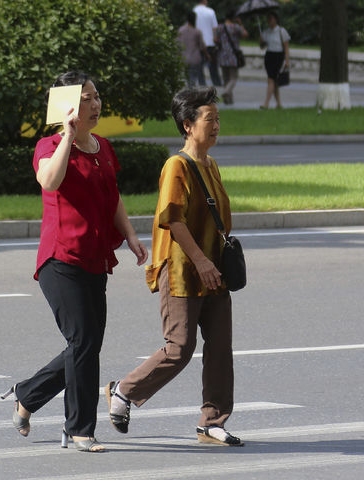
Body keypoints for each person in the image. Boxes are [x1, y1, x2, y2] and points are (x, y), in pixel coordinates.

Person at [1, 72, 149, 452]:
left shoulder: (102, 147)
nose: (95, 104)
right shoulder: (49, 144)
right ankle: (80, 429)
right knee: (82, 341)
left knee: (84, 345)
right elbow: (49, 182)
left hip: (95, 258)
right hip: (60, 259)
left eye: (97, 96)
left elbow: (112, 196)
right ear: (67, 105)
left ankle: (27, 394)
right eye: (86, 98)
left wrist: (130, 235)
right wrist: (68, 135)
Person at [105, 86, 243, 447]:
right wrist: (200, 260)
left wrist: (217, 261)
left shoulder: (210, 165)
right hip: (183, 268)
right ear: (187, 125)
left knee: (220, 348)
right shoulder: (176, 166)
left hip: (214, 270)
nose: (216, 126)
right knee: (179, 347)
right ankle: (123, 390)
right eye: (209, 119)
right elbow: (172, 219)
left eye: (217, 119)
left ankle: (212, 421)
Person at [215, 10, 249, 105]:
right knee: (233, 77)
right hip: (233, 56)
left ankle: (228, 100)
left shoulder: (220, 27)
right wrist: (240, 24)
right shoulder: (236, 27)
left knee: (226, 78)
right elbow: (245, 34)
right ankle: (226, 92)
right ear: (234, 18)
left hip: (222, 55)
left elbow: (215, 39)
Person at [259, 11, 290, 109]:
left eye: (271, 19)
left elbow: (286, 47)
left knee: (271, 80)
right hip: (269, 56)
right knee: (273, 80)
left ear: (275, 19)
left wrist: (287, 60)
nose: (269, 21)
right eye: (268, 19)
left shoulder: (281, 31)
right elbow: (262, 47)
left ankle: (266, 103)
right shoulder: (266, 32)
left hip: (278, 56)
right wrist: (261, 40)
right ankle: (279, 104)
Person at [194, 0, 223, 87]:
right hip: (210, 42)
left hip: (198, 43)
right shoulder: (210, 11)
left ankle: (202, 83)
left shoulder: (194, 11)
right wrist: (215, 37)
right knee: (213, 65)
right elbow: (215, 27)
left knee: (199, 66)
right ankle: (216, 83)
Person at [178, 11, 209, 87]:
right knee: (193, 78)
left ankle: (190, 91)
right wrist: (207, 55)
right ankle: (191, 92)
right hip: (195, 58)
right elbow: (202, 46)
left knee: (187, 77)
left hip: (183, 58)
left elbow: (177, 44)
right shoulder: (197, 32)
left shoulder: (181, 30)